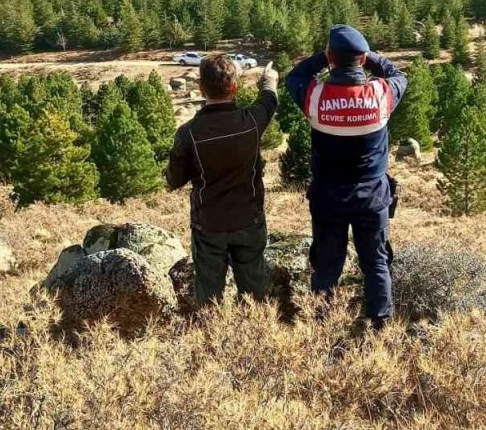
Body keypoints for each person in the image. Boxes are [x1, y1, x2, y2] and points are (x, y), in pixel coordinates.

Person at [285, 25, 407, 329]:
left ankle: (323, 329)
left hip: (328, 197)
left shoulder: (316, 97)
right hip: (372, 196)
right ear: (362, 58)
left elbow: (295, 77)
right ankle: (381, 328)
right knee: (376, 263)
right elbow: (398, 75)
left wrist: (321, 59)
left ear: (331, 56)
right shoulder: (379, 95)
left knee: (327, 267)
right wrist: (370, 58)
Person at [166, 54, 279, 307]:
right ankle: (258, 336)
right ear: (235, 88)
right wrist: (268, 81)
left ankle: (213, 337)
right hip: (249, 219)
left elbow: (174, 180)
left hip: (209, 225)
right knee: (254, 293)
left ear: (201, 88)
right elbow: (269, 101)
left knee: (209, 296)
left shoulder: (188, 133)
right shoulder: (251, 121)